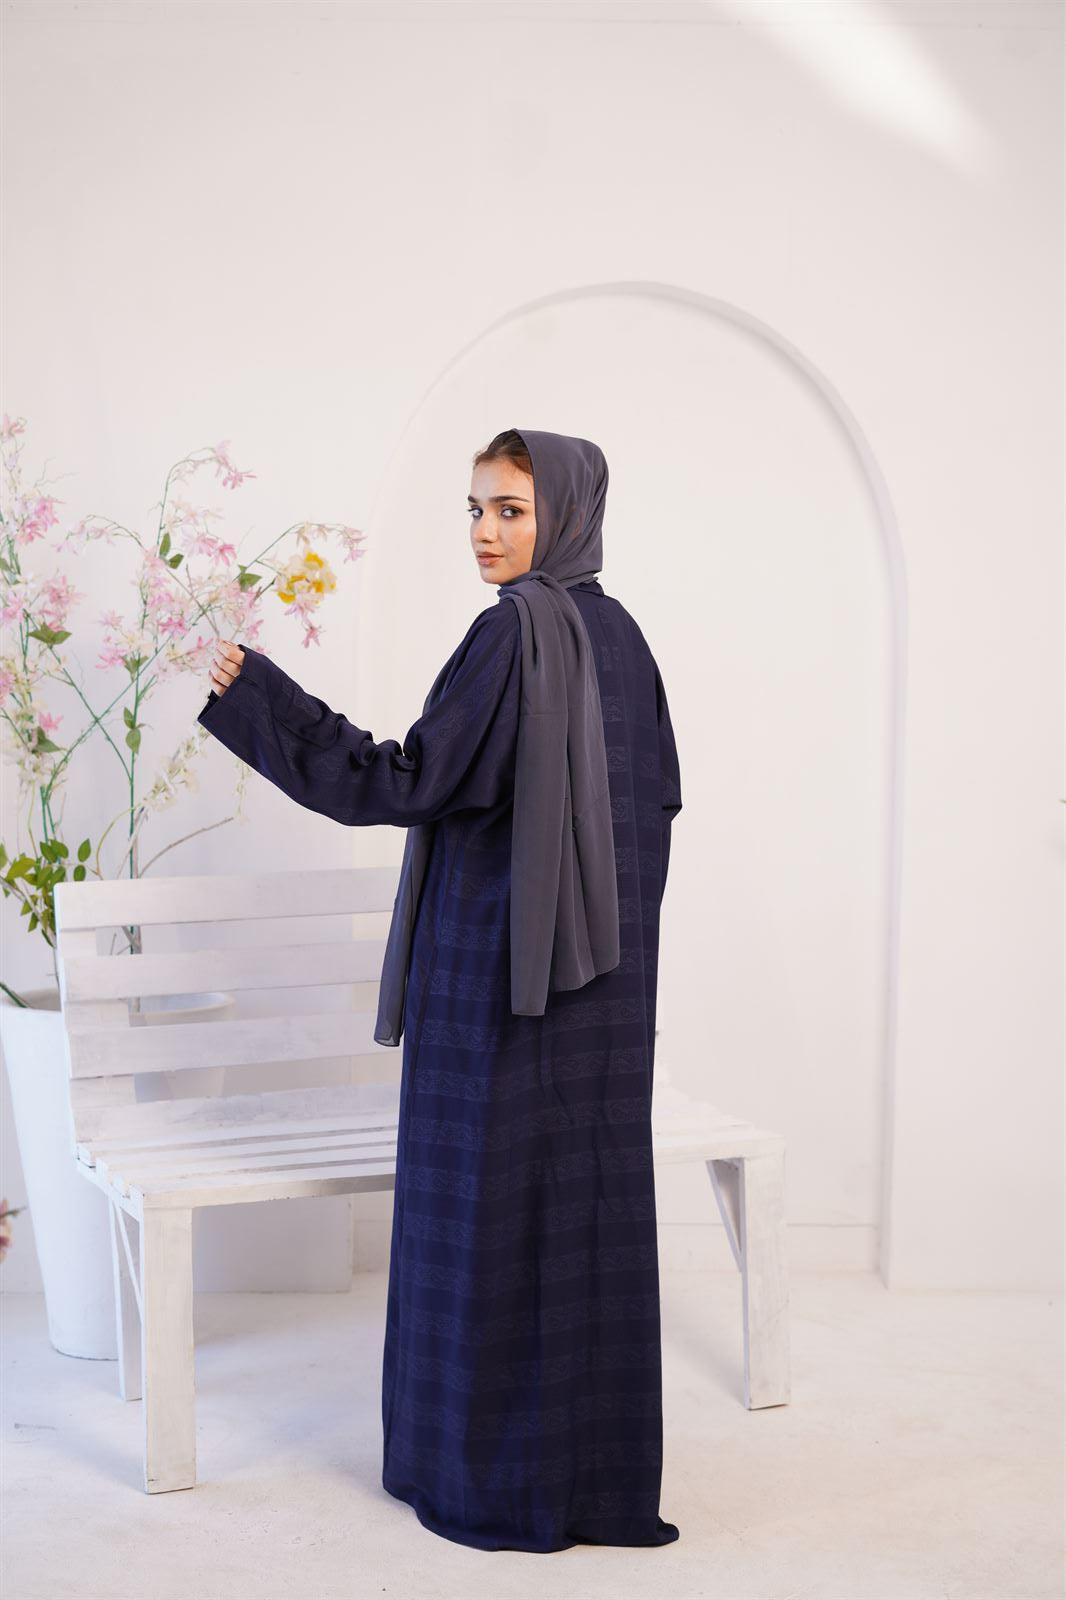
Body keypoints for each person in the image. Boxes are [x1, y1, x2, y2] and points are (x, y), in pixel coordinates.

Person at [197, 427, 683, 1554]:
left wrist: (267, 704)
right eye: (474, 509)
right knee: (577, 1223)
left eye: (510, 509)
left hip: (494, 984)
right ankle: (587, 1482)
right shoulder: (624, 639)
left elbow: (406, 781)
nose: (485, 533)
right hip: (602, 993)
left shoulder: (512, 635)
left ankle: (482, 1482)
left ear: (564, 510)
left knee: (483, 1224)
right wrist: (611, 950)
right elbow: (655, 807)